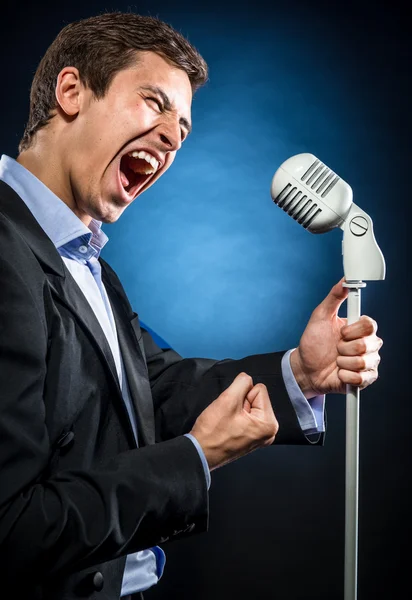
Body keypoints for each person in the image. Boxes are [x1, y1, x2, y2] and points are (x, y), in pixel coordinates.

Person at [0, 11, 382, 600]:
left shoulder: (88, 264)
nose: (173, 137)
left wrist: (302, 372)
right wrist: (195, 458)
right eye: (154, 103)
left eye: (183, 129)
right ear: (71, 91)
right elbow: (13, 529)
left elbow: (153, 389)